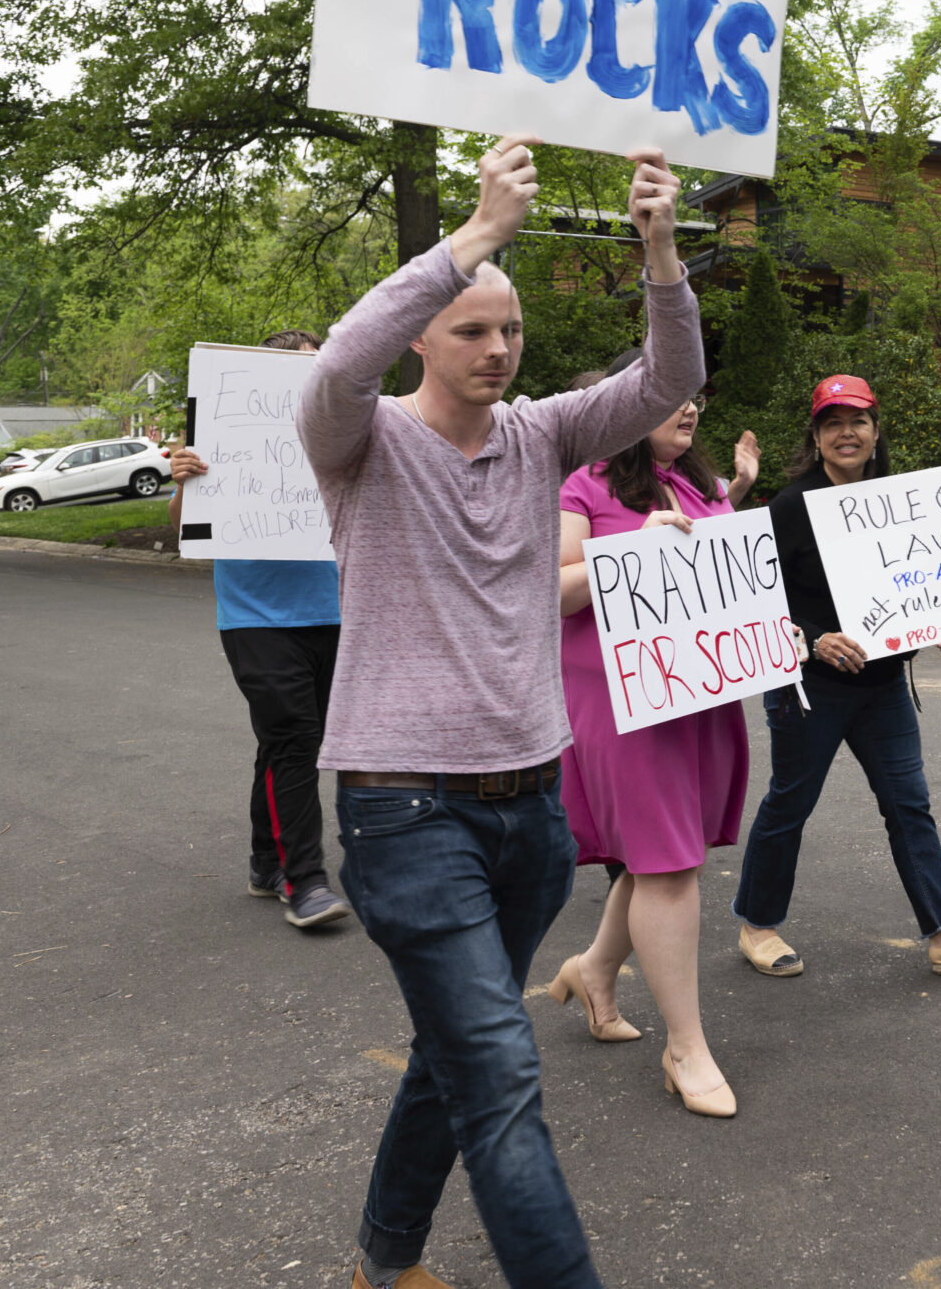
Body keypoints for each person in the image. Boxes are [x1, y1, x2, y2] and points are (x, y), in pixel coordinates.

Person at [299, 133, 702, 1289]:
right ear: (422, 332)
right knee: (501, 1074)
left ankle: (387, 1251)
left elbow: (667, 382)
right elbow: (334, 366)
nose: (494, 346)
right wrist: (474, 238)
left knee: (455, 1052)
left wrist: (660, 247)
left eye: (509, 328)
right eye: (470, 326)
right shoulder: (360, 441)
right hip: (404, 811)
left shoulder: (542, 435)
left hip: (532, 808)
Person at [727, 374, 941, 980]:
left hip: (882, 686)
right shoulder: (790, 506)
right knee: (791, 803)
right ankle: (757, 925)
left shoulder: (898, 502)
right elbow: (755, 599)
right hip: (809, 690)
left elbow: (917, 587)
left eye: (857, 421)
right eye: (832, 423)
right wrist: (811, 640)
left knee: (909, 805)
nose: (846, 433)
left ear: (875, 430)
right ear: (816, 435)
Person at [540, 355, 761, 1120]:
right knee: (668, 864)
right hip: (620, 703)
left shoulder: (703, 487)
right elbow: (550, 588)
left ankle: (596, 970)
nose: (691, 408)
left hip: (696, 695)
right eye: (673, 398)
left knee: (665, 852)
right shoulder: (583, 484)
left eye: (697, 396)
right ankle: (686, 1046)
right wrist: (629, 551)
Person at [168, 329, 350, 930]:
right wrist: (183, 483)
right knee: (294, 737)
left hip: (336, 612)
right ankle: (306, 880)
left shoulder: (338, 435)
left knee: (290, 741)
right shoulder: (226, 431)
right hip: (257, 618)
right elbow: (186, 529)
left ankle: (264, 861)